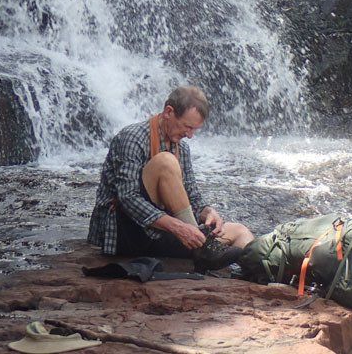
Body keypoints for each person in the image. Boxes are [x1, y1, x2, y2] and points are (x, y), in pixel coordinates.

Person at [87, 85, 254, 269]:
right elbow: (128, 198)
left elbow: (191, 195)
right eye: (187, 127)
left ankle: (256, 274)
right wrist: (179, 228)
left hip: (163, 231)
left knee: (240, 231)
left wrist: (207, 212)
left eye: (194, 130)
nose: (190, 135)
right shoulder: (132, 138)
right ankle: (202, 249)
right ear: (168, 112)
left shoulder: (182, 148)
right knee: (166, 161)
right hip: (125, 233)